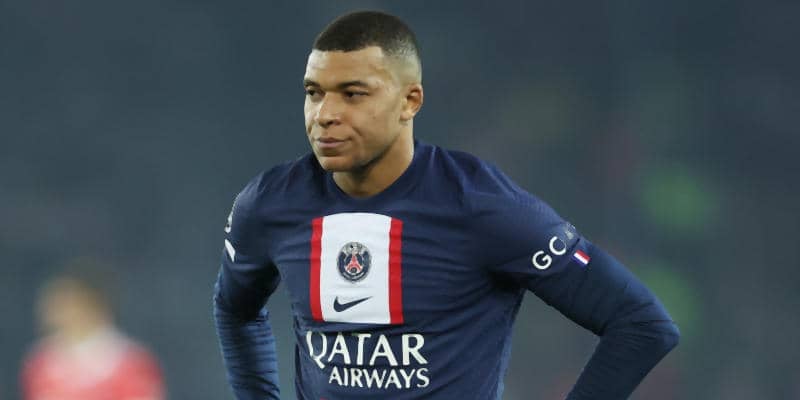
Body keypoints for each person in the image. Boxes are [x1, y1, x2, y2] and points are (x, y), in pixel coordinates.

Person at [214, 10, 679, 400]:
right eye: (314, 92)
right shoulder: (271, 204)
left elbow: (640, 324)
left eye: (353, 94)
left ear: (409, 101)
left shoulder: (479, 205)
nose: (325, 114)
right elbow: (235, 309)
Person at [21, 261, 165, 400]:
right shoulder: (42, 361)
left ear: (93, 304)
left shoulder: (130, 362)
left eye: (68, 303)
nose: (56, 310)